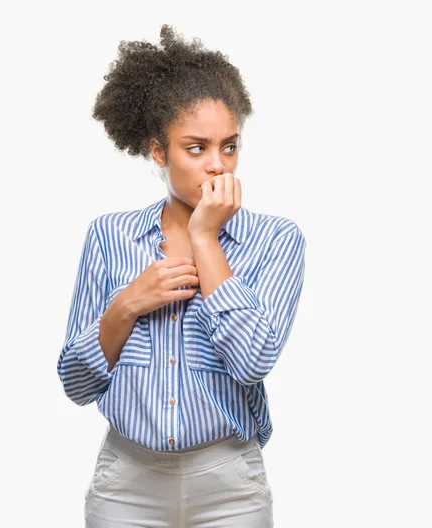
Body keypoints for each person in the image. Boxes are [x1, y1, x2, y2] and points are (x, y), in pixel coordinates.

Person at [57, 24, 306, 527]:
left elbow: (253, 360)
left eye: (230, 147)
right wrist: (127, 304)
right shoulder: (110, 236)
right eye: (196, 149)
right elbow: (75, 382)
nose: (218, 166)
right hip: (126, 482)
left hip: (230, 483)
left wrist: (206, 239)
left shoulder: (277, 240)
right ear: (157, 151)